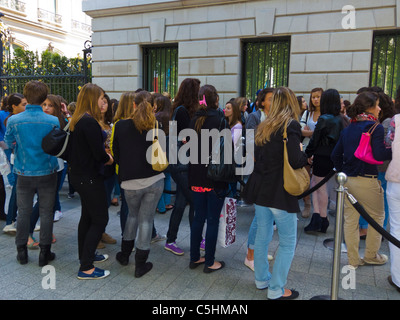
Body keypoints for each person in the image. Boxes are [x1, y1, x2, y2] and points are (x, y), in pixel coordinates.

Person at [243, 87, 307, 300]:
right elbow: (296, 160)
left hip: (262, 190)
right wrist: (305, 153)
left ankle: (262, 279)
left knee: (263, 236)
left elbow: (256, 156)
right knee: (288, 242)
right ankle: (276, 289)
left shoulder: (264, 125)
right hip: (281, 192)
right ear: (291, 102)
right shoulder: (291, 125)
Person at [331, 91, 392, 269]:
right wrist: (394, 149)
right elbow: (380, 155)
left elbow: (336, 155)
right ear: (369, 107)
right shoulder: (375, 127)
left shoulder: (350, 127)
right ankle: (371, 255)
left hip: (348, 180)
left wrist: (344, 172)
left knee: (351, 220)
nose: (380, 108)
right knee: (377, 216)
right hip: (368, 179)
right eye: (377, 105)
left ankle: (353, 259)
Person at [4, 81, 59, 267]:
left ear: (26, 97)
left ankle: (22, 251)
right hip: (47, 170)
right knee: (46, 212)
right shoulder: (52, 120)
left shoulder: (13, 120)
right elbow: (56, 145)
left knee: (24, 212)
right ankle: (45, 252)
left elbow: (8, 141)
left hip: (24, 171)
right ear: (44, 98)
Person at [112, 99, 164, 278]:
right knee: (146, 220)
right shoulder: (156, 125)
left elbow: (116, 153)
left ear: (134, 105)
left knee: (132, 216)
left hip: (129, 182)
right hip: (154, 180)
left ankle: (125, 255)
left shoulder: (120, 126)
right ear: (152, 108)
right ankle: (140, 264)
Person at [67, 83, 114, 280]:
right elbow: (98, 154)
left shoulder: (78, 120)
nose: (103, 101)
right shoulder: (89, 122)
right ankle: (86, 267)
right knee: (100, 218)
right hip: (88, 177)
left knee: (87, 217)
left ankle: (86, 257)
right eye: (101, 97)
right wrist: (109, 158)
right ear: (92, 99)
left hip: (79, 175)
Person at [188, 84, 229, 273]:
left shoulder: (195, 119)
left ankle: (195, 257)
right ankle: (210, 261)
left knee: (198, 218)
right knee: (212, 220)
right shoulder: (220, 119)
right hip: (214, 176)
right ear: (216, 99)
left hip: (196, 176)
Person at [165, 78, 200, 255]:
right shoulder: (183, 112)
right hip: (182, 164)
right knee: (194, 200)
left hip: (180, 163)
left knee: (180, 203)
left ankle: (170, 239)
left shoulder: (178, 110)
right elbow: (187, 138)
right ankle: (197, 238)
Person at [29, 94, 68, 248]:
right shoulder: (39, 121)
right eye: (44, 104)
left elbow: (71, 130)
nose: (46, 108)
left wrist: (66, 114)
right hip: (42, 165)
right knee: (42, 201)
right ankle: (28, 232)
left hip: (58, 165)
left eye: (50, 105)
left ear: (57, 107)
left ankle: (46, 230)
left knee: (50, 200)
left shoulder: (60, 121)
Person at [304, 89, 344, 234]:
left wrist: (308, 153)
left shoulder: (324, 118)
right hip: (333, 158)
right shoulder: (341, 118)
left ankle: (321, 218)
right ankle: (319, 217)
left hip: (322, 157)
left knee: (318, 187)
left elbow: (315, 139)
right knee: (318, 186)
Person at [244, 88, 275, 271]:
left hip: (271, 172)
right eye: (270, 99)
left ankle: (259, 251)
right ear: (261, 102)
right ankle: (250, 255)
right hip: (260, 171)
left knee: (268, 216)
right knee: (260, 215)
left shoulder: (276, 118)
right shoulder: (254, 117)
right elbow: (250, 143)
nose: (273, 102)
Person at [2, 93, 27, 233]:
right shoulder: (12, 120)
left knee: (20, 191)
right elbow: (10, 142)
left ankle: (14, 221)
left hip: (20, 159)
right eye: (23, 104)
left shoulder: (14, 119)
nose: (26, 107)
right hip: (18, 160)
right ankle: (10, 221)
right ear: (13, 106)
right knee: (18, 191)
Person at [300, 87, 323, 218]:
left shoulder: (326, 114)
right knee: (306, 177)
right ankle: (307, 204)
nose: (315, 99)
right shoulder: (307, 113)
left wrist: (310, 133)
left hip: (320, 150)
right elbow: (301, 130)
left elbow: (323, 133)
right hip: (307, 148)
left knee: (318, 179)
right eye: (313, 97)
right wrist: (314, 133)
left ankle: (319, 208)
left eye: (318, 96)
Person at [98, 92, 117, 249]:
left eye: (106, 102)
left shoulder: (110, 124)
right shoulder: (90, 122)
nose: (103, 104)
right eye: (101, 101)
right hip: (96, 168)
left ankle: (101, 231)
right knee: (96, 203)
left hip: (110, 167)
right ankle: (95, 235)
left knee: (105, 202)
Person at [386, 113, 400, 291]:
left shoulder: (396, 120)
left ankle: (398, 277)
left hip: (396, 178)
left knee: (396, 228)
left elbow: (388, 144)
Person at [154, 94, 174, 214]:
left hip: (160, 149)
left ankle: (160, 206)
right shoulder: (172, 117)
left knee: (158, 178)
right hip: (170, 149)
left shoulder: (156, 117)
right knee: (167, 178)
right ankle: (167, 203)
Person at [224, 98, 243, 198]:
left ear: (234, 110)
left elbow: (233, 143)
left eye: (228, 108)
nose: (225, 110)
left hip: (234, 159)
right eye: (225, 108)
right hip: (227, 158)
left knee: (231, 185)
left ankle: (230, 208)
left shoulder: (238, 126)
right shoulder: (226, 123)